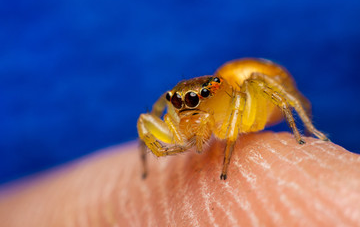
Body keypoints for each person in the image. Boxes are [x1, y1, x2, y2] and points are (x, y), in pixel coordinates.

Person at [0, 132, 360, 226]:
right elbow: (148, 123)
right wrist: (153, 158)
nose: (189, 106)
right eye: (179, 102)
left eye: (199, 99)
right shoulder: (181, 110)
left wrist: (304, 131)